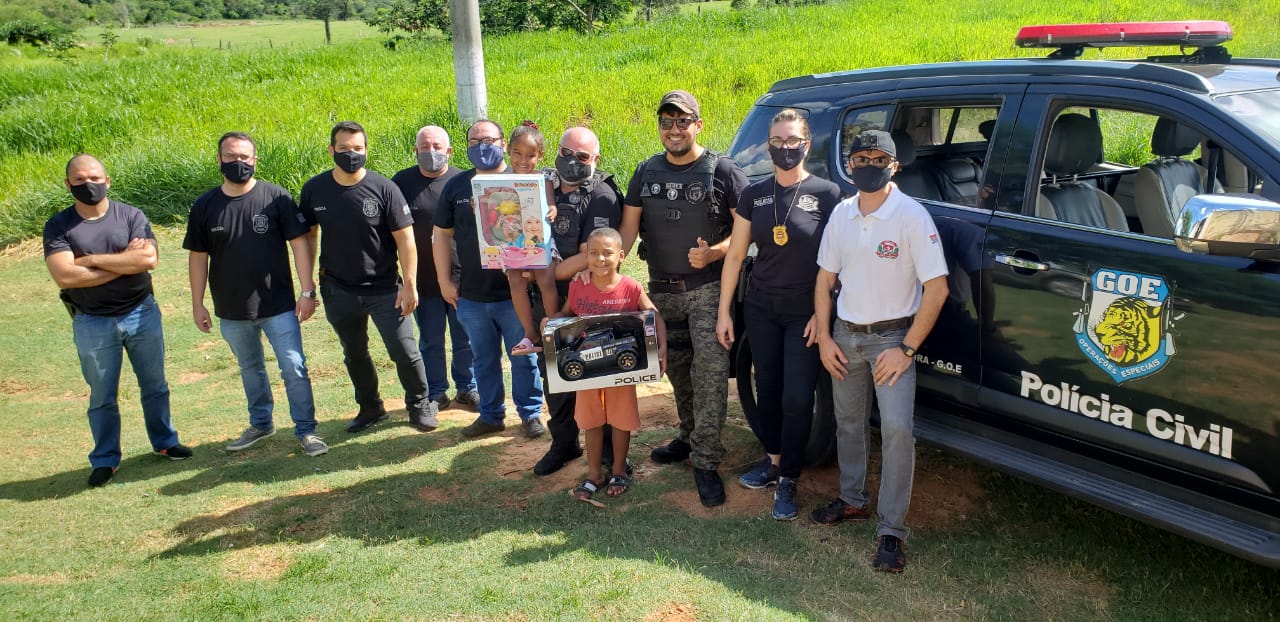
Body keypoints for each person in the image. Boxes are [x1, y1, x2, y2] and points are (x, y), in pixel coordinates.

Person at [810, 129, 949, 573]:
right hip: (845, 336)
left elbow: (937, 288)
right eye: (860, 158)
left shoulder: (911, 216)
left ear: (895, 165)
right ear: (849, 165)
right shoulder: (842, 214)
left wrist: (906, 349)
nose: (868, 165)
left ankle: (892, 530)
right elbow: (823, 280)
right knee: (849, 424)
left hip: (892, 341)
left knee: (896, 430)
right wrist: (827, 338)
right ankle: (852, 501)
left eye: (878, 158)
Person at [617, 89, 749, 507]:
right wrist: (609, 271)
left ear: (698, 125)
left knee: (709, 378)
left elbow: (747, 234)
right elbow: (627, 230)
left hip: (708, 291)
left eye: (682, 121)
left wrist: (714, 252)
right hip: (661, 292)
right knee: (678, 371)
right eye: (666, 122)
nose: (674, 130)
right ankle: (689, 437)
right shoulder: (645, 171)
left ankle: (706, 461)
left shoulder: (723, 171)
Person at [715, 109, 842, 520]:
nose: (785, 149)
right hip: (762, 307)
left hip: (805, 311)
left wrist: (823, 315)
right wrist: (724, 314)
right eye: (777, 142)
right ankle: (772, 461)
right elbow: (735, 256)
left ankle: (789, 478)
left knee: (797, 397)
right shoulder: (754, 194)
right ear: (767, 145)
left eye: (793, 141)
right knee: (766, 390)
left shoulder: (828, 194)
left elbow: (839, 263)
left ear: (806, 143)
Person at [43, 154, 191, 487]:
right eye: (79, 180)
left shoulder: (130, 215)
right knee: (102, 395)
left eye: (94, 178)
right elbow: (65, 275)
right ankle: (105, 459)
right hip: (92, 321)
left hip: (141, 312)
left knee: (155, 384)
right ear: (68, 185)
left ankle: (165, 442)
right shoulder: (59, 225)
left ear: (107, 181)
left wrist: (92, 260)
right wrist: (124, 262)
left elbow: (148, 259)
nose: (88, 185)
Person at [184, 132, 327, 457]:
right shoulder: (205, 206)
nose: (239, 163)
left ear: (255, 160)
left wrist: (307, 291)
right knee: (250, 368)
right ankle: (261, 423)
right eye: (232, 157)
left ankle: (306, 431)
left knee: (293, 367)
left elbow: (300, 244)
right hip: (231, 309)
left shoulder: (275, 198)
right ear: (219, 159)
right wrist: (197, 304)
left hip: (278, 306)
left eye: (245, 157)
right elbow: (198, 257)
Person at [298, 121, 437, 434]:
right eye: (344, 149)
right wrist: (308, 287)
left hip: (385, 288)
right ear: (331, 150)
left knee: (404, 351)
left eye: (357, 149)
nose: (351, 154)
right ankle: (371, 407)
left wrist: (410, 285)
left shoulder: (384, 188)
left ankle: (420, 405)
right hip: (338, 289)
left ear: (366, 150)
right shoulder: (315, 189)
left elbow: (406, 240)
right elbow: (307, 237)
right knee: (354, 353)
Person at [433, 119, 545, 439]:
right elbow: (441, 236)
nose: (483, 146)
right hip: (472, 295)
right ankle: (491, 415)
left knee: (523, 356)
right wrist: (444, 281)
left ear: (502, 143)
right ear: (466, 145)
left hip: (516, 294)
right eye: (475, 140)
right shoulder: (455, 186)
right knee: (483, 359)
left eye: (490, 139)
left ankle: (530, 414)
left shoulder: (521, 181)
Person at [531, 126, 626, 476]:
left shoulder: (602, 195)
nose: (572, 162)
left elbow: (591, 255)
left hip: (586, 299)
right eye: (566, 152)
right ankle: (564, 443)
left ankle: (604, 455)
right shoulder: (540, 183)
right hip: (542, 296)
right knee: (552, 376)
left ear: (595, 160)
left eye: (582, 157)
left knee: (593, 373)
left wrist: (542, 270)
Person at [548, 228, 665, 501]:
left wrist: (662, 349)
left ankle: (618, 470)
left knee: (621, 421)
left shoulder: (631, 287)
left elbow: (652, 315)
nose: (600, 259)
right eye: (593, 253)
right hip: (587, 373)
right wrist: (549, 324)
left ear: (621, 256)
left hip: (619, 370)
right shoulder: (579, 285)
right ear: (585, 256)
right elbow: (566, 315)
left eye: (607, 253)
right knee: (591, 422)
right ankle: (593, 474)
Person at [390, 125, 481, 413]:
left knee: (465, 337)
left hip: (462, 278)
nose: (431, 152)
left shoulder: (463, 182)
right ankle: (437, 391)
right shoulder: (400, 183)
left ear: (449, 151)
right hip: (423, 279)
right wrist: (406, 279)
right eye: (425, 147)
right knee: (430, 339)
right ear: (415, 150)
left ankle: (468, 388)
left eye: (437, 147)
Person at [502, 121, 561, 352]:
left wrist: (553, 209)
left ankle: (553, 324)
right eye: (517, 153)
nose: (523, 161)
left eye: (530, 155)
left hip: (539, 237)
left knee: (546, 278)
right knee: (515, 280)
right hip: (513, 239)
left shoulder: (543, 178)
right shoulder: (500, 179)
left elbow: (551, 203)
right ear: (508, 150)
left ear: (540, 155)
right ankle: (529, 331)